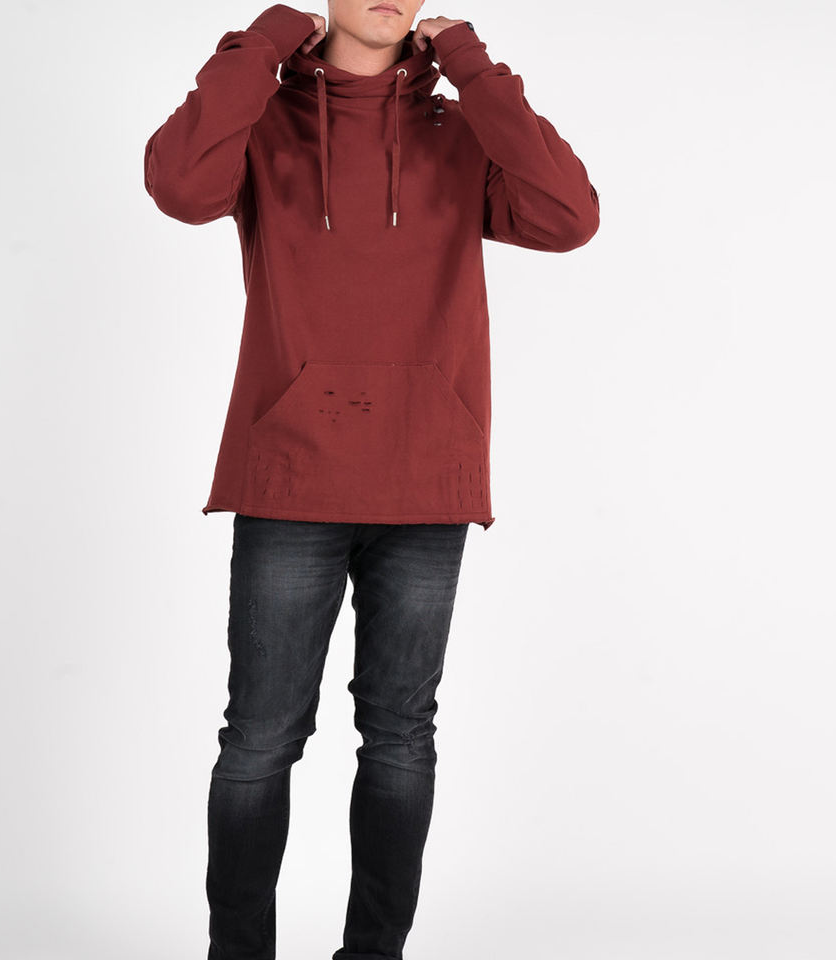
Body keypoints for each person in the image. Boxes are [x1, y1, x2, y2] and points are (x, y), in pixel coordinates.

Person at [143, 2, 600, 957]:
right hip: (291, 478)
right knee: (260, 737)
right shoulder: (262, 124)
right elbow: (179, 186)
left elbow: (569, 217)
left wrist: (469, 63)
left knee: (400, 736)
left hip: (425, 478)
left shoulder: (465, 134)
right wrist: (267, 40)